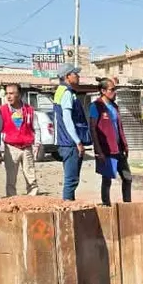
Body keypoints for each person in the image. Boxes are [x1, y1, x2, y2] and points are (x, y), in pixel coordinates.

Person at [89, 78, 132, 206]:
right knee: (107, 179)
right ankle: (106, 204)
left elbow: (119, 127)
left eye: (115, 89)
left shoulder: (114, 107)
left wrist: (125, 145)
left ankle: (127, 205)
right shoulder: (96, 106)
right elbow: (93, 129)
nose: (114, 92)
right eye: (112, 89)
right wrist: (98, 151)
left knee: (127, 178)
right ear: (103, 91)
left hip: (118, 149)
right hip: (106, 150)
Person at [0, 83, 39, 196]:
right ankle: (11, 200)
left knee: (31, 177)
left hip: (27, 148)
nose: (9, 96)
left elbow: (36, 128)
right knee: (11, 179)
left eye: (12, 93)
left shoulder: (29, 110)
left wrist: (37, 144)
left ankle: (33, 199)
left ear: (19, 94)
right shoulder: (2, 110)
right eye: (7, 94)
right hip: (11, 148)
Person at [54, 64, 90, 200]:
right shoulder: (67, 93)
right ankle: (68, 207)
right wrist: (78, 142)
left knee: (71, 180)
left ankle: (69, 205)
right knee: (71, 181)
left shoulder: (61, 91)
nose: (78, 76)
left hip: (65, 142)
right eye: (75, 74)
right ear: (67, 76)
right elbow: (67, 119)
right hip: (70, 143)